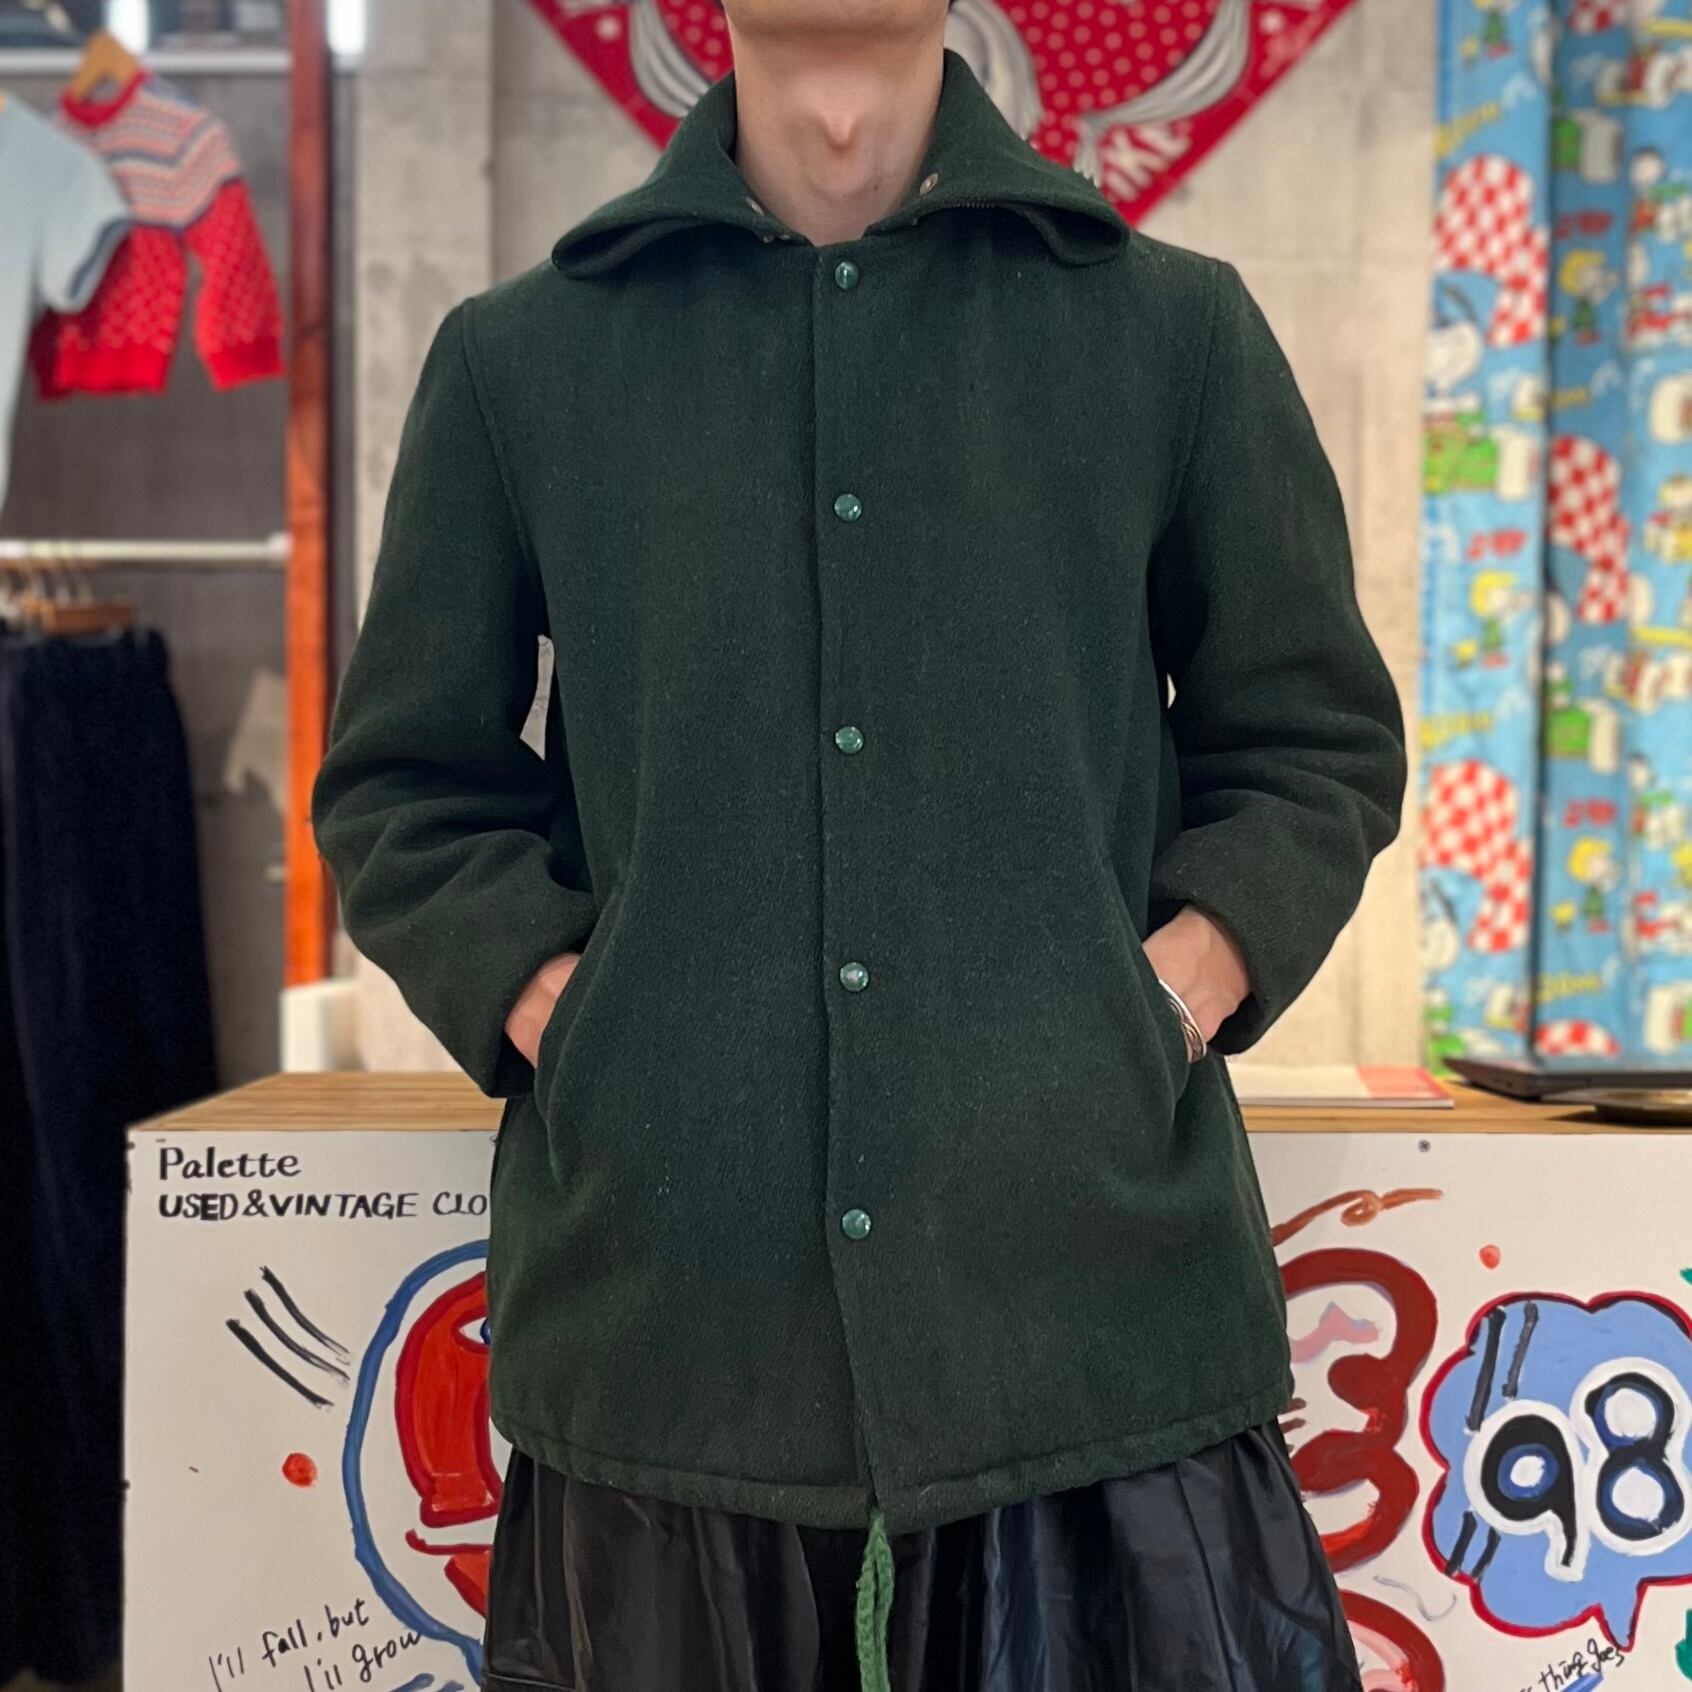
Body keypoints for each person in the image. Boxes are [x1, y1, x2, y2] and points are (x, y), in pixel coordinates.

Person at [310, 2, 1408, 1687]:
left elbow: (1314, 736)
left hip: (1096, 1339)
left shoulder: (1170, 334)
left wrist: (1174, 989)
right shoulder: (523, 360)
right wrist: (570, 1013)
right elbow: (404, 783)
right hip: (668, 1345)